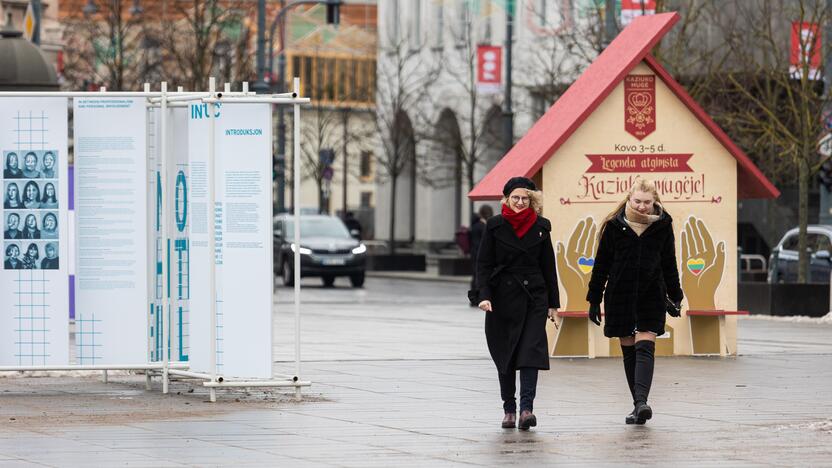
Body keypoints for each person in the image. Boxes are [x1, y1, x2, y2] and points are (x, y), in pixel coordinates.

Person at [586, 178, 683, 425]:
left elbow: (669, 263)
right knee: (629, 350)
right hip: (620, 295)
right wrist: (594, 299)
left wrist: (676, 295)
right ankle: (638, 404)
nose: (642, 207)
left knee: (644, 347)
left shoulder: (662, 226)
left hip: (652, 293)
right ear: (629, 199)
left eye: (647, 202)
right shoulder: (614, 226)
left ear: (655, 202)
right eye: (637, 201)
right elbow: (602, 265)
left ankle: (642, 402)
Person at [476, 177, 559, 431]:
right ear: (507, 199)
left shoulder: (542, 227)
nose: (520, 202)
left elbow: (548, 267)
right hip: (502, 299)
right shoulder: (494, 226)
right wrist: (484, 295)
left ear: (531, 200)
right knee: (506, 354)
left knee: (530, 353)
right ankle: (509, 409)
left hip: (534, 297)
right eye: (516, 198)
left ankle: (526, 409)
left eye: (525, 198)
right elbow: (484, 264)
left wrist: (552, 304)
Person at [469, 204, 494, 306]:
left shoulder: (475, 226)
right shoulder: (484, 227)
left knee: (475, 275)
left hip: (473, 253)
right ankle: (478, 297)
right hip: (480, 254)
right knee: (479, 275)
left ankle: (474, 297)